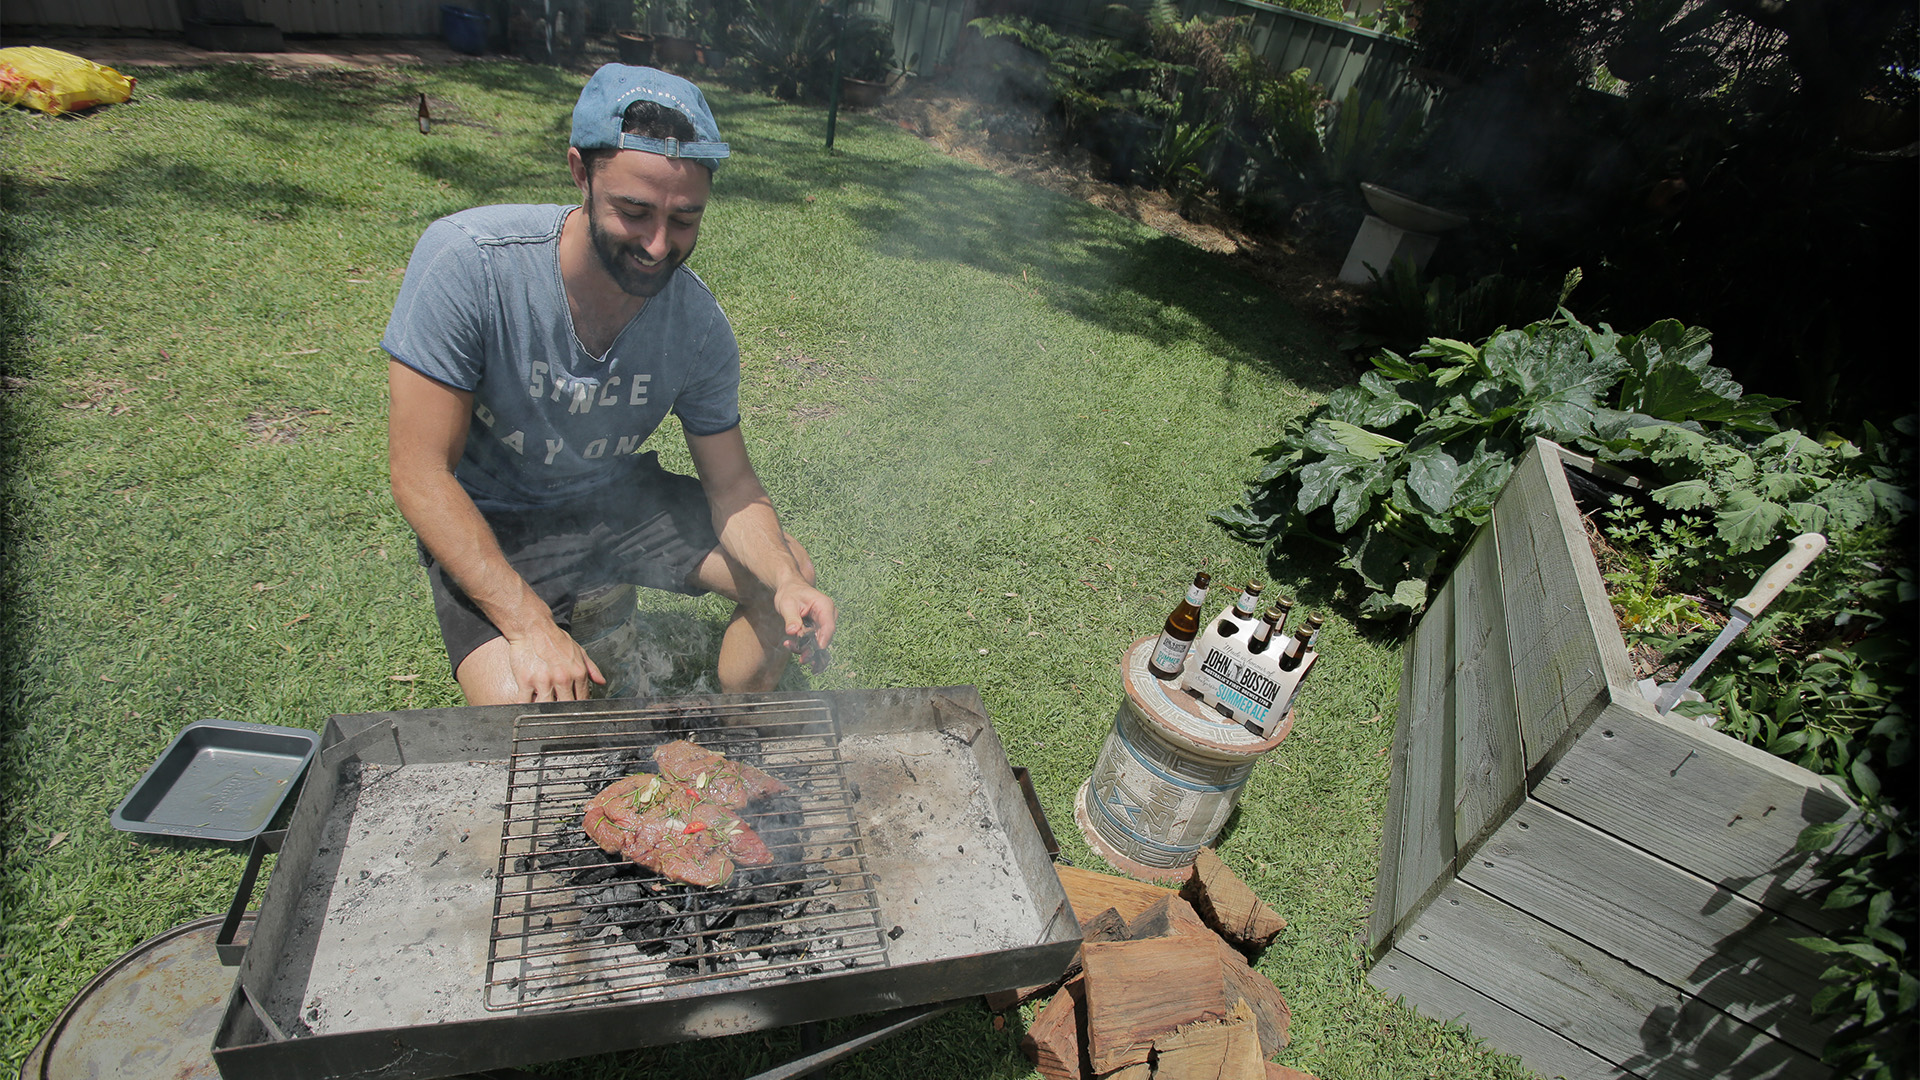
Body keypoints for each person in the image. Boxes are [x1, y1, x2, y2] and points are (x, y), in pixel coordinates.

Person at [383, 64, 835, 705]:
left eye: (685, 219)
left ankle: (731, 729)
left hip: (619, 498)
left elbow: (731, 486)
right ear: (580, 174)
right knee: (524, 705)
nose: (658, 245)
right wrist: (529, 624)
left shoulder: (697, 324)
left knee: (782, 575)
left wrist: (786, 581)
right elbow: (420, 473)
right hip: (500, 517)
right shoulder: (471, 265)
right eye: (634, 211)